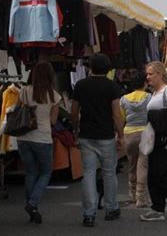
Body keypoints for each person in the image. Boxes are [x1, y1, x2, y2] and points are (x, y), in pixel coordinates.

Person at [71, 54, 124, 227]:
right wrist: (121, 135)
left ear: (90, 67)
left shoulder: (80, 85)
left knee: (89, 173)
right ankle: (111, 208)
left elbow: (74, 111)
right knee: (109, 172)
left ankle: (89, 214)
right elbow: (116, 114)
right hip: (106, 135)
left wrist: (75, 130)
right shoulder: (112, 87)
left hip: (86, 135)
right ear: (108, 68)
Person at [140, 61, 167, 222]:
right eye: (147, 74)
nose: (148, 77)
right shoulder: (154, 92)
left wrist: (156, 116)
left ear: (160, 74)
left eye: (151, 74)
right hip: (155, 136)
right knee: (152, 173)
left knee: (159, 172)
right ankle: (157, 208)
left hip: (165, 137)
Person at [17, 61, 61, 224]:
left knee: (31, 172)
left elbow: (17, 110)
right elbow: (53, 120)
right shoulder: (54, 96)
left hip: (23, 137)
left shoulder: (24, 91)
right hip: (43, 137)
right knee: (45, 172)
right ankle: (33, 203)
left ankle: (32, 208)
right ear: (51, 76)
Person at [120, 71, 151, 208]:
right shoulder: (149, 97)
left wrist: (119, 135)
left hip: (129, 133)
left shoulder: (124, 99)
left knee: (132, 164)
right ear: (145, 83)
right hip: (145, 133)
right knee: (142, 165)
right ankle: (141, 197)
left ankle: (131, 194)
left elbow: (121, 119)